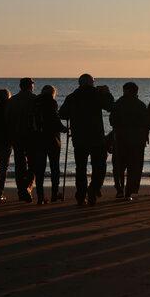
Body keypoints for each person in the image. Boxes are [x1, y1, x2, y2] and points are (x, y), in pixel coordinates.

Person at [59, 74, 115, 206]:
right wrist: (107, 93)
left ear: (80, 83)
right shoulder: (96, 94)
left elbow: (62, 114)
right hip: (96, 137)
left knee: (81, 168)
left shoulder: (72, 96)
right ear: (91, 83)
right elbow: (111, 106)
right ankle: (93, 189)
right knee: (100, 166)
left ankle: (80, 196)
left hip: (79, 138)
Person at [109, 82, 150, 201]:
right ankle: (129, 191)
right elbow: (147, 122)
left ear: (125, 91)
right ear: (136, 92)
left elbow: (112, 121)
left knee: (118, 166)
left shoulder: (118, 104)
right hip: (137, 140)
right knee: (134, 167)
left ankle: (120, 190)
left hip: (120, 138)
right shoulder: (141, 105)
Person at [5, 77, 38, 202]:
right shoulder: (35, 99)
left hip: (16, 136)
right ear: (31, 86)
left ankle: (21, 189)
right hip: (32, 136)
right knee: (33, 163)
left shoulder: (12, 100)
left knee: (19, 164)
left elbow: (7, 119)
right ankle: (27, 187)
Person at [34, 85, 67, 203]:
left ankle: (40, 196)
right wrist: (63, 129)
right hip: (52, 139)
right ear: (53, 93)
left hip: (38, 139)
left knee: (40, 169)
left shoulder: (35, 101)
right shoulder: (52, 102)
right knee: (54, 167)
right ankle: (54, 193)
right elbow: (54, 119)